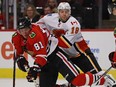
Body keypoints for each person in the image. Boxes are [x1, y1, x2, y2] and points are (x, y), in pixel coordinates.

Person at [11, 17, 111, 87]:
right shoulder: (16, 37)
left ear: (30, 27)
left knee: (77, 80)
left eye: (26, 29)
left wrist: (35, 68)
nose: (24, 32)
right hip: (45, 62)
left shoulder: (35, 34)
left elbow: (42, 55)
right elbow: (19, 53)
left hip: (55, 56)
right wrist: (21, 60)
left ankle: (103, 79)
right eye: (21, 30)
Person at [36, 2, 116, 87]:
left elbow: (66, 44)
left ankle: (112, 83)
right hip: (65, 55)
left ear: (70, 12)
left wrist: (50, 36)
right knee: (73, 77)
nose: (64, 14)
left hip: (81, 54)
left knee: (99, 74)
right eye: (62, 11)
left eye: (66, 11)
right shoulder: (50, 18)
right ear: (58, 12)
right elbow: (38, 25)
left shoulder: (74, 24)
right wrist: (42, 32)